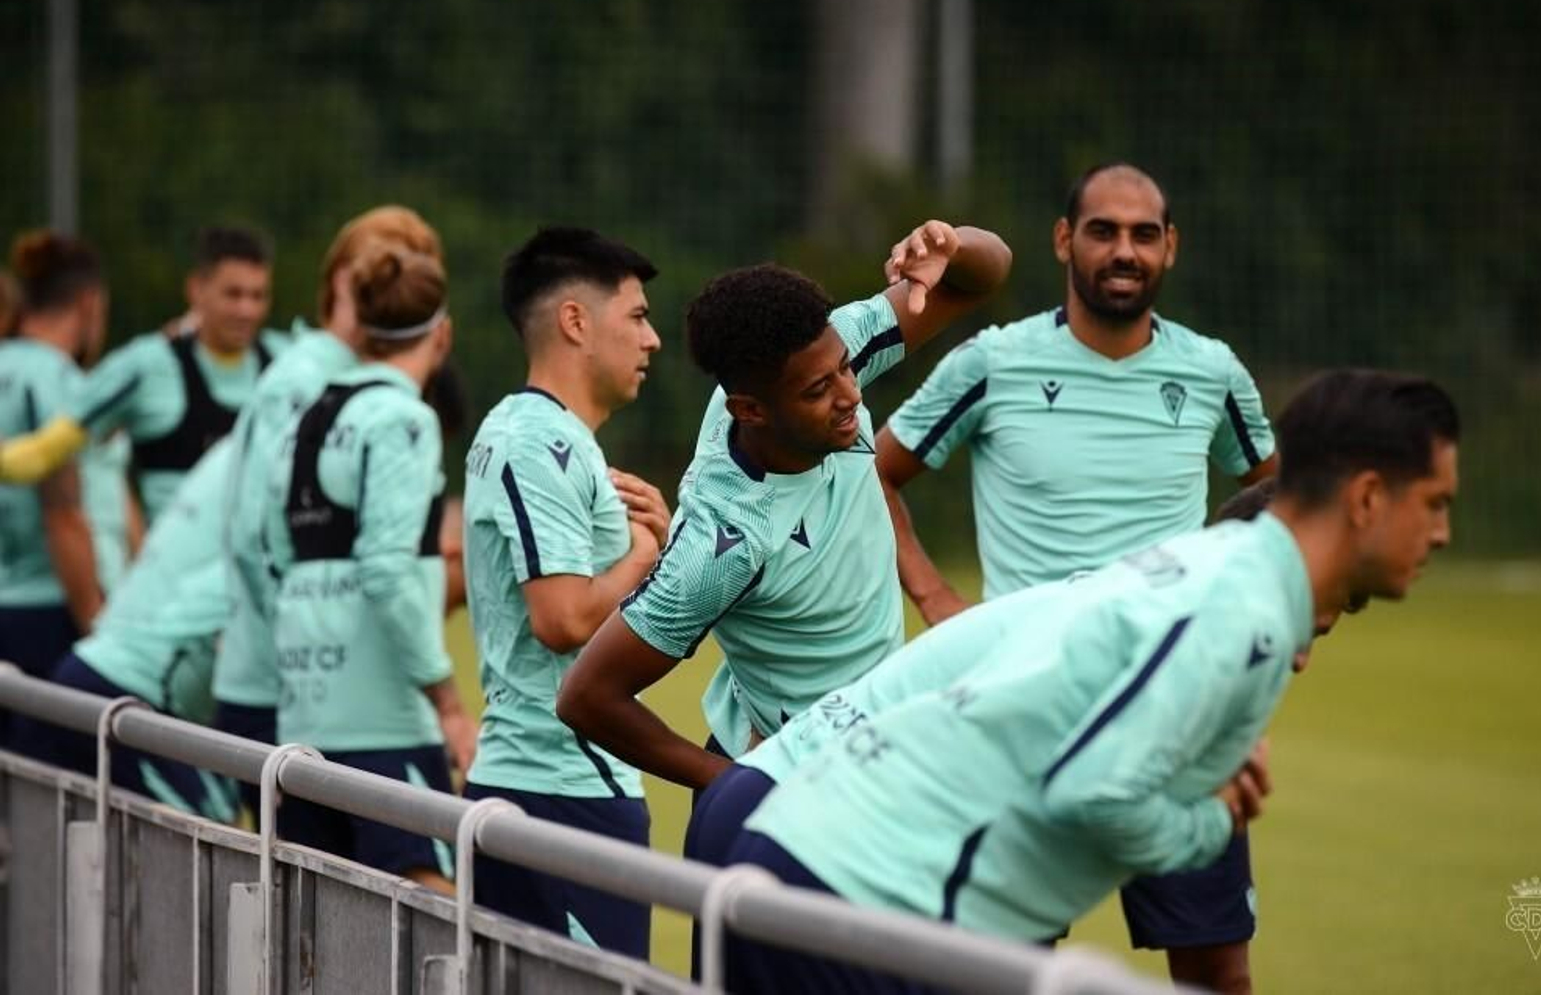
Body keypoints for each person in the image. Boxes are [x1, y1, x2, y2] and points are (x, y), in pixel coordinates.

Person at [717, 370, 1459, 994]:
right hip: (865, 894)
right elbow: (1092, 790)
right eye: (1434, 503)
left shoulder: (1217, 567)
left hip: (819, 859)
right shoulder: (1243, 606)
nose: (1442, 533)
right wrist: (1209, 823)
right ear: (1367, 498)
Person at [875, 163, 1276, 989]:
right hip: (1027, 702)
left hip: (1180, 704)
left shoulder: (1213, 372)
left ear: (1170, 247)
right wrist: (936, 597)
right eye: (1103, 230)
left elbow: (1282, 503)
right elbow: (872, 473)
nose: (1124, 250)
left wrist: (1244, 639)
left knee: (1216, 970)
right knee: (1001, 970)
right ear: (1065, 240)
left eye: (1143, 234)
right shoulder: (993, 362)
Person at [558, 220, 1011, 791]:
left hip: (874, 757)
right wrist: (744, 785)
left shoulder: (828, 349)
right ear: (749, 410)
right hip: (797, 790)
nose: (849, 395)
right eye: (818, 391)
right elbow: (586, 697)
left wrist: (955, 246)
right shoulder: (724, 543)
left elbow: (985, 273)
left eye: (844, 368)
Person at [459, 227, 668, 956]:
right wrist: (645, 556)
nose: (653, 339)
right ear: (576, 321)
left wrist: (654, 552)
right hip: (560, 790)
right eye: (637, 316)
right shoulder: (535, 442)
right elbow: (564, 616)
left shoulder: (549, 436)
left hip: (556, 785)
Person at [211, 206, 442, 818]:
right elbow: (256, 537)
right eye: (385, 264)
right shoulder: (308, 380)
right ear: (342, 278)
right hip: (281, 688)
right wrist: (305, 649)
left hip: (310, 689)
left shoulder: (349, 378)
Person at [263, 247, 473, 891]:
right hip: (385, 720)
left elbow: (276, 550)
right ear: (442, 334)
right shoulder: (406, 418)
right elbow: (384, 570)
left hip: (303, 716)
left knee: (317, 917)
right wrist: (447, 702)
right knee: (434, 905)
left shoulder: (308, 415)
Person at [17, 439, 240, 821]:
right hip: (119, 691)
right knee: (214, 833)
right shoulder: (270, 462)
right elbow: (64, 515)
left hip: (109, 676)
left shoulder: (238, 451)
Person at [0, 225, 278, 521]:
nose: (247, 310)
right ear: (196, 289)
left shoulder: (287, 365)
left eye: (258, 296)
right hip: (177, 550)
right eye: (233, 295)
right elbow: (45, 451)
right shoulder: (147, 366)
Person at [0, 232, 118, 735]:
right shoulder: (59, 381)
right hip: (47, 611)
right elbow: (64, 512)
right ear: (90, 302)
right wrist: (97, 627)